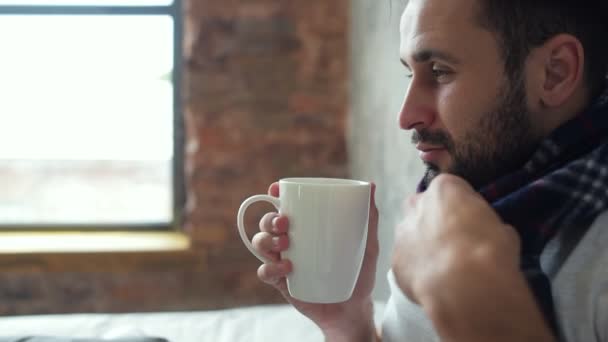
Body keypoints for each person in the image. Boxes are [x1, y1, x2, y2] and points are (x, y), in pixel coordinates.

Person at [251, 0, 608, 341]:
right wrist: (348, 323)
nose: (406, 117)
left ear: (555, 73)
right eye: (410, 72)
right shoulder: (462, 205)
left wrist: (471, 297)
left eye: (439, 72)